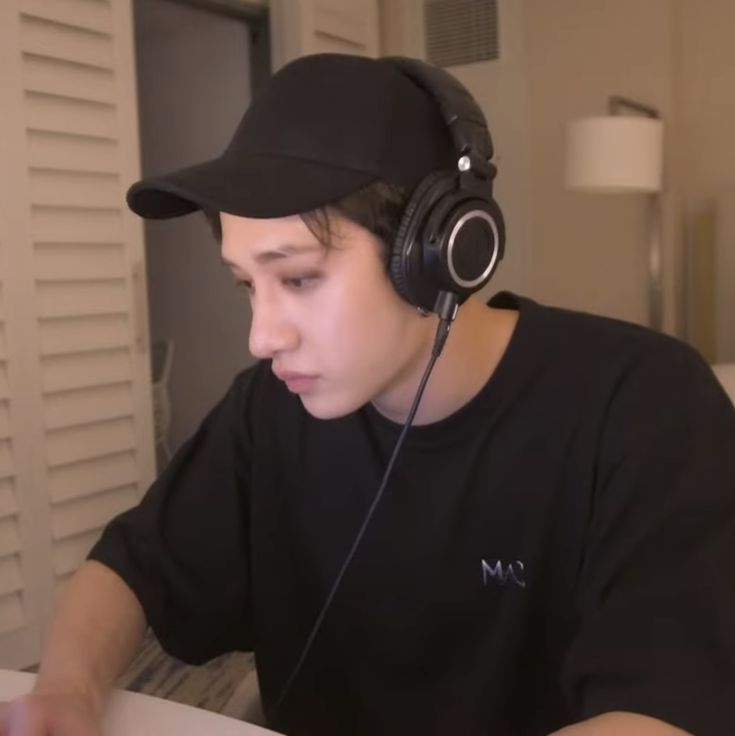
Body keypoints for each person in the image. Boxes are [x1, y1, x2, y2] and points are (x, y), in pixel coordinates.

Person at [1, 53, 734, 736]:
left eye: (298, 278)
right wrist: (66, 690)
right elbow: (133, 565)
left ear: (443, 253)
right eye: (245, 286)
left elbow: (657, 710)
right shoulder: (267, 406)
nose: (261, 337)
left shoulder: (642, 401)